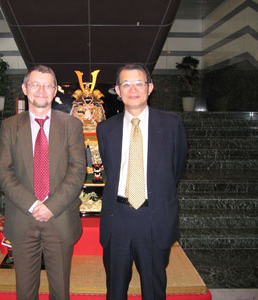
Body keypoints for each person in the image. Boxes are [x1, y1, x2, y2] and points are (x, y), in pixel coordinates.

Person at [96, 63, 188, 300]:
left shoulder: (171, 124)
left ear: (150, 87)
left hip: (153, 218)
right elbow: (110, 168)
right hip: (118, 219)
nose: (133, 89)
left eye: (139, 83)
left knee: (154, 289)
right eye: (126, 83)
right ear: (117, 90)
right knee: (115, 290)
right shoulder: (106, 129)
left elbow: (176, 168)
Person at [0, 65, 86, 300]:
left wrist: (50, 207)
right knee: (25, 291)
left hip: (60, 218)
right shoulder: (10, 126)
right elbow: (4, 172)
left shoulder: (71, 125)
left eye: (47, 85)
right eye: (35, 84)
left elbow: (77, 172)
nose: (41, 90)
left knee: (60, 290)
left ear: (55, 91)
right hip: (23, 218)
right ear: (25, 88)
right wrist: (33, 205)